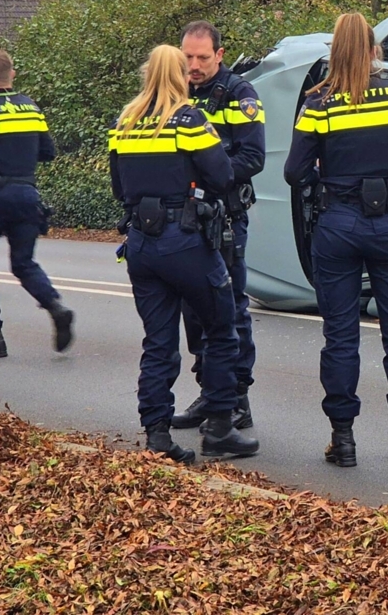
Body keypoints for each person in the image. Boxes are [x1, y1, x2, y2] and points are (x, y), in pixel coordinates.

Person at [284, 12, 388, 467]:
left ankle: (343, 440)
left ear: (333, 52)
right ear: (373, 49)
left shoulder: (318, 104)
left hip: (339, 225)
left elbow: (293, 173)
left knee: (341, 337)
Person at [109, 44, 259, 463]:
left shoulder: (124, 121)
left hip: (141, 242)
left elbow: (119, 188)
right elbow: (224, 174)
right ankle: (220, 428)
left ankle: (157, 435)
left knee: (158, 341)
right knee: (222, 329)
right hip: (187, 241)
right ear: (177, 75)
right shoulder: (190, 118)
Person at [171, 21, 265, 433]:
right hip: (186, 219)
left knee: (229, 310)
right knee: (193, 309)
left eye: (202, 58)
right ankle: (209, 391)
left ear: (220, 55)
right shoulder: (175, 93)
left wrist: (210, 176)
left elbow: (253, 158)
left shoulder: (240, 94)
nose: (193, 65)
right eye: (187, 57)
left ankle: (236, 397)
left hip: (224, 218)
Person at [0, 49, 73, 358]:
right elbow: (48, 152)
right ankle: (55, 306)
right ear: (12, 74)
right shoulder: (31, 107)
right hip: (28, 196)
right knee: (24, 263)